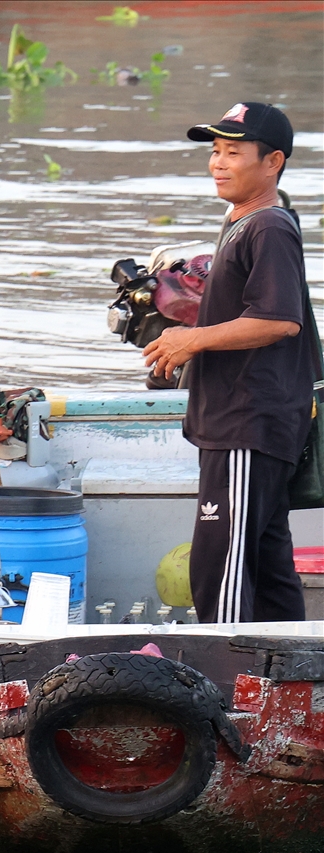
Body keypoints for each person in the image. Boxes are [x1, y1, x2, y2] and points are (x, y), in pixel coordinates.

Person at [143, 102, 318, 623]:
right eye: (215, 151)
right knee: (266, 569)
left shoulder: (268, 228)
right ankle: (292, 686)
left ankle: (220, 691)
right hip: (238, 421)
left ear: (273, 162)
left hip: (248, 422)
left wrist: (192, 341)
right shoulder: (242, 223)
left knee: (219, 570)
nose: (218, 162)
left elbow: (278, 320)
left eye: (233, 152)